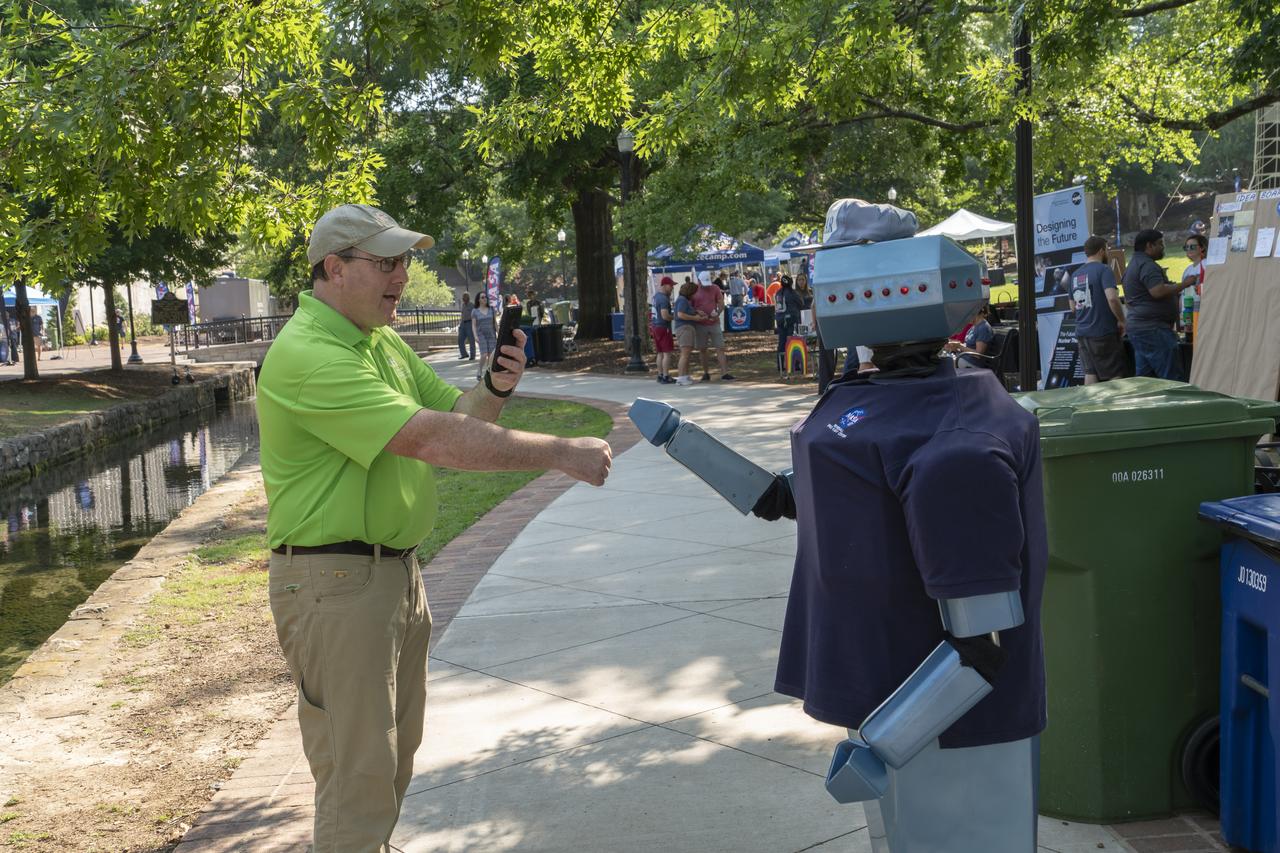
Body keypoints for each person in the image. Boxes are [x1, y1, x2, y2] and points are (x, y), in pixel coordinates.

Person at [256, 203, 612, 853]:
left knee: (388, 765)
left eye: (405, 260)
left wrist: (495, 385)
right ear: (333, 268)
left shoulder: (379, 341)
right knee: (355, 779)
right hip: (333, 583)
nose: (401, 274)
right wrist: (558, 451)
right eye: (385, 261)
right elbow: (435, 441)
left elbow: (462, 414)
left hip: (391, 575)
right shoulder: (309, 353)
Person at [1122, 228, 1194, 380]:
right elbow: (1157, 291)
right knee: (1171, 378)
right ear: (1149, 246)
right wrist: (1184, 284)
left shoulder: (1134, 264)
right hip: (1153, 330)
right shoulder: (1147, 265)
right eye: (1160, 244)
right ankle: (1174, 403)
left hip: (1140, 328)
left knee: (1146, 380)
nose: (1163, 248)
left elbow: (1131, 300)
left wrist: (1171, 286)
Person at [1069, 236, 1128, 384]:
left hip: (1082, 333)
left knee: (1090, 373)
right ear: (1102, 250)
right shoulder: (1104, 270)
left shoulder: (1075, 275)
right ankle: (1115, 406)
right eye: (1107, 249)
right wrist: (1122, 320)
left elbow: (1072, 307)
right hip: (1102, 331)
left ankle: (1091, 407)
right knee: (1114, 374)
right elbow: (1113, 299)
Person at [691, 271, 735, 381]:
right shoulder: (693, 290)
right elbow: (689, 307)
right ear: (699, 281)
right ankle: (706, 373)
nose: (706, 286)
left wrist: (718, 312)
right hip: (700, 324)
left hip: (714, 323)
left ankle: (725, 373)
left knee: (720, 347)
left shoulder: (715, 288)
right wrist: (697, 312)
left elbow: (721, 302)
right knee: (702, 349)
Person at [944, 304, 994, 370]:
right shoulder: (974, 327)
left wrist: (959, 346)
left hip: (974, 363)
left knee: (944, 364)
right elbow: (967, 346)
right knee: (942, 358)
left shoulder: (983, 328)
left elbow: (978, 354)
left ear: (974, 313)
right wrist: (954, 347)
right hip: (964, 358)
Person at [672, 280, 702, 386]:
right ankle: (681, 377)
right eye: (695, 292)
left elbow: (685, 311)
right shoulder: (682, 300)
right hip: (684, 328)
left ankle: (685, 375)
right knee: (684, 354)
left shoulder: (684, 301)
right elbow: (680, 314)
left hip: (687, 328)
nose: (695, 295)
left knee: (687, 354)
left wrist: (696, 312)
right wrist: (695, 317)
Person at [774, 274, 804, 375]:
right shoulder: (793, 293)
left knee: (781, 343)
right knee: (793, 341)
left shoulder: (778, 293)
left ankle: (780, 365)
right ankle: (794, 364)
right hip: (792, 320)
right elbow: (801, 303)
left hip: (780, 321)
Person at [651, 276, 677, 384]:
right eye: (671, 286)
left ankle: (660, 374)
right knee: (667, 353)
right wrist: (675, 317)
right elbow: (665, 315)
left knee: (660, 352)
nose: (672, 288)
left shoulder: (656, 297)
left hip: (655, 326)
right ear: (665, 285)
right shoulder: (663, 298)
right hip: (663, 327)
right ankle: (666, 376)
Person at [471, 291, 497, 380]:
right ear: (478, 300)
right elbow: (473, 325)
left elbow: (495, 323)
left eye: (486, 297)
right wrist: (475, 336)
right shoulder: (475, 311)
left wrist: (499, 332)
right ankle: (479, 369)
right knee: (484, 354)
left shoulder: (491, 309)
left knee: (491, 355)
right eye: (482, 297)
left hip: (491, 333)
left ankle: (488, 372)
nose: (485, 298)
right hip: (481, 334)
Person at [457, 292, 475, 360]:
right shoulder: (463, 305)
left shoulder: (472, 305)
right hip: (463, 323)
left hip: (469, 323)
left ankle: (472, 355)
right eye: (463, 297)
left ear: (468, 298)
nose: (463, 299)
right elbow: (462, 314)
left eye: (464, 297)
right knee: (460, 339)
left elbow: (474, 315)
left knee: (471, 340)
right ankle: (464, 354)